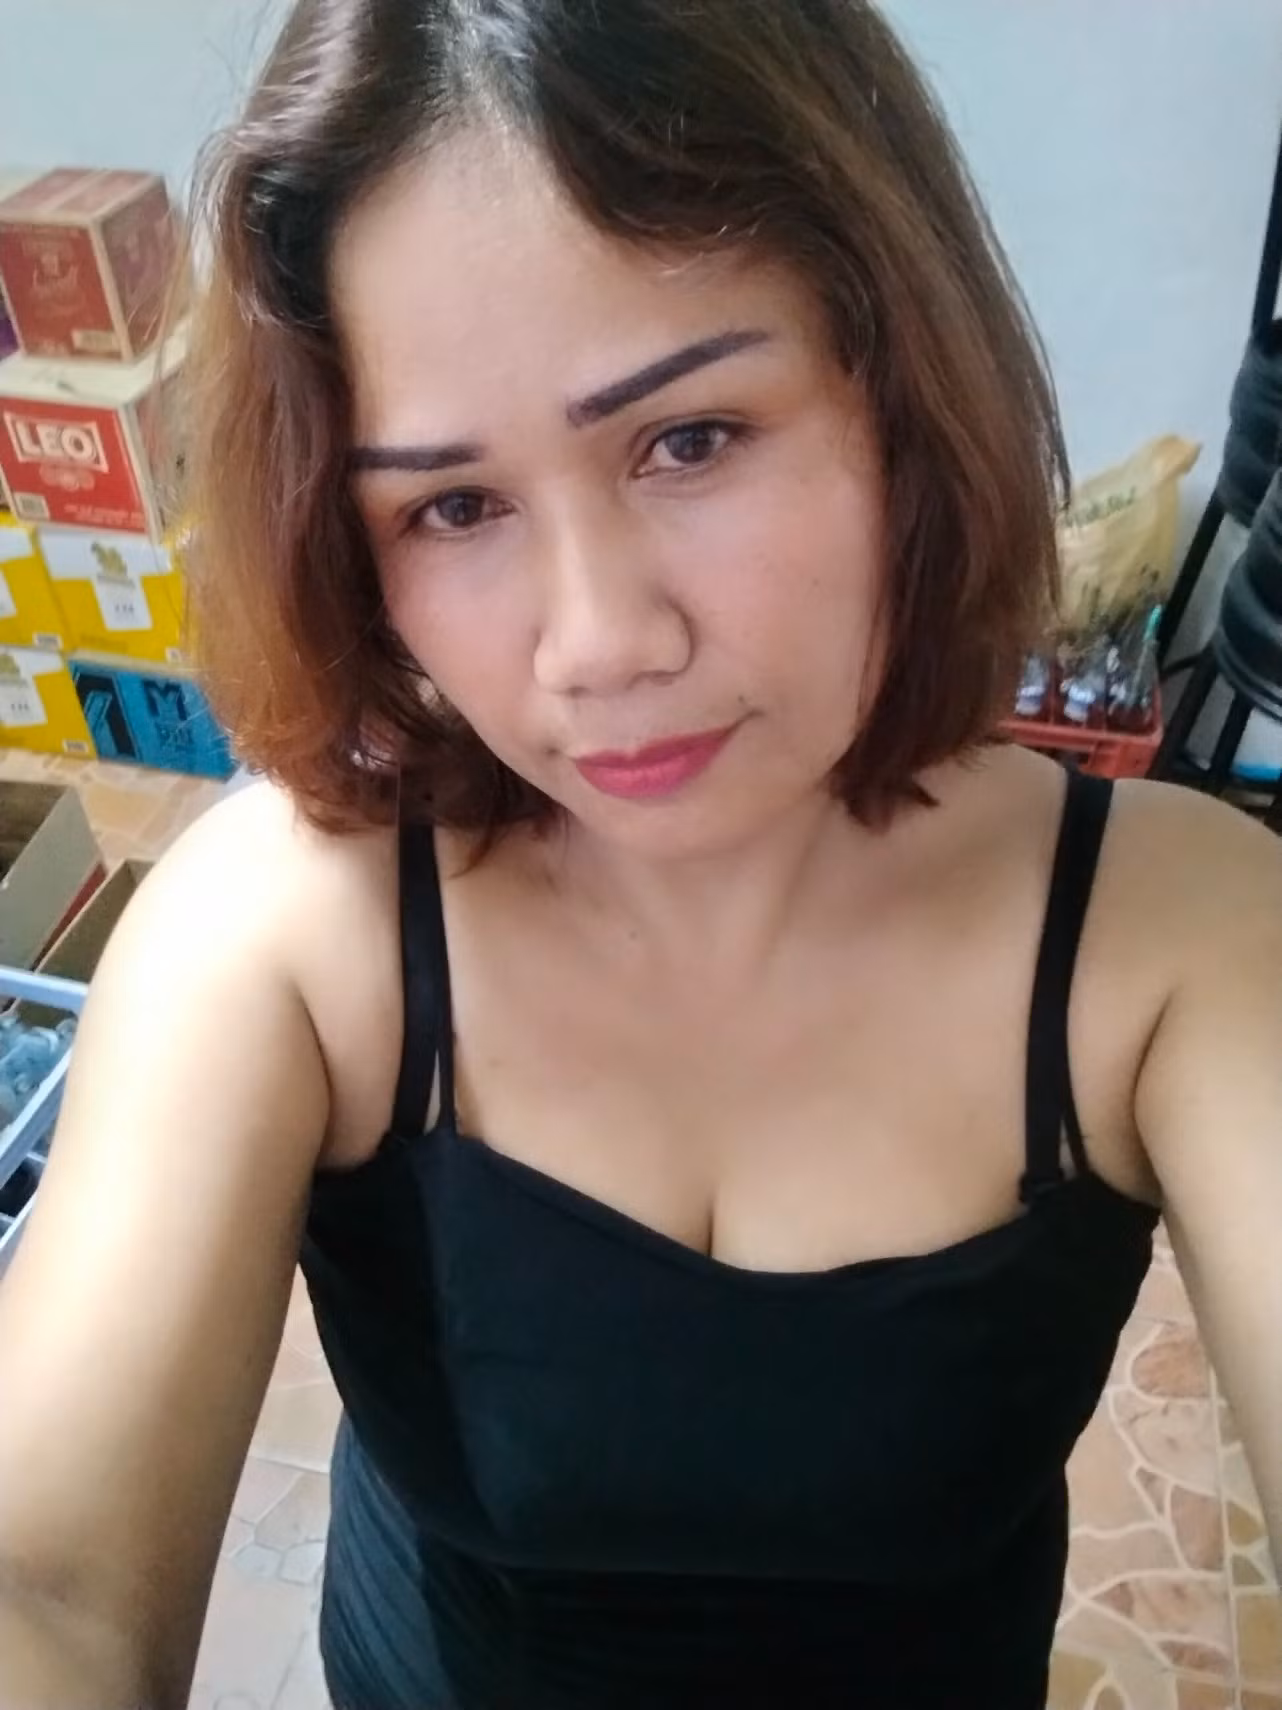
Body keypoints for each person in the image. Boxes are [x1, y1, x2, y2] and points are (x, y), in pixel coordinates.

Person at [0, 2, 1278, 1706]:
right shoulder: (288, 928)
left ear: (898, 395)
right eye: (453, 506)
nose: (599, 642)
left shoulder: (1173, 938)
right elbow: (49, 1588)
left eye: (690, 439)